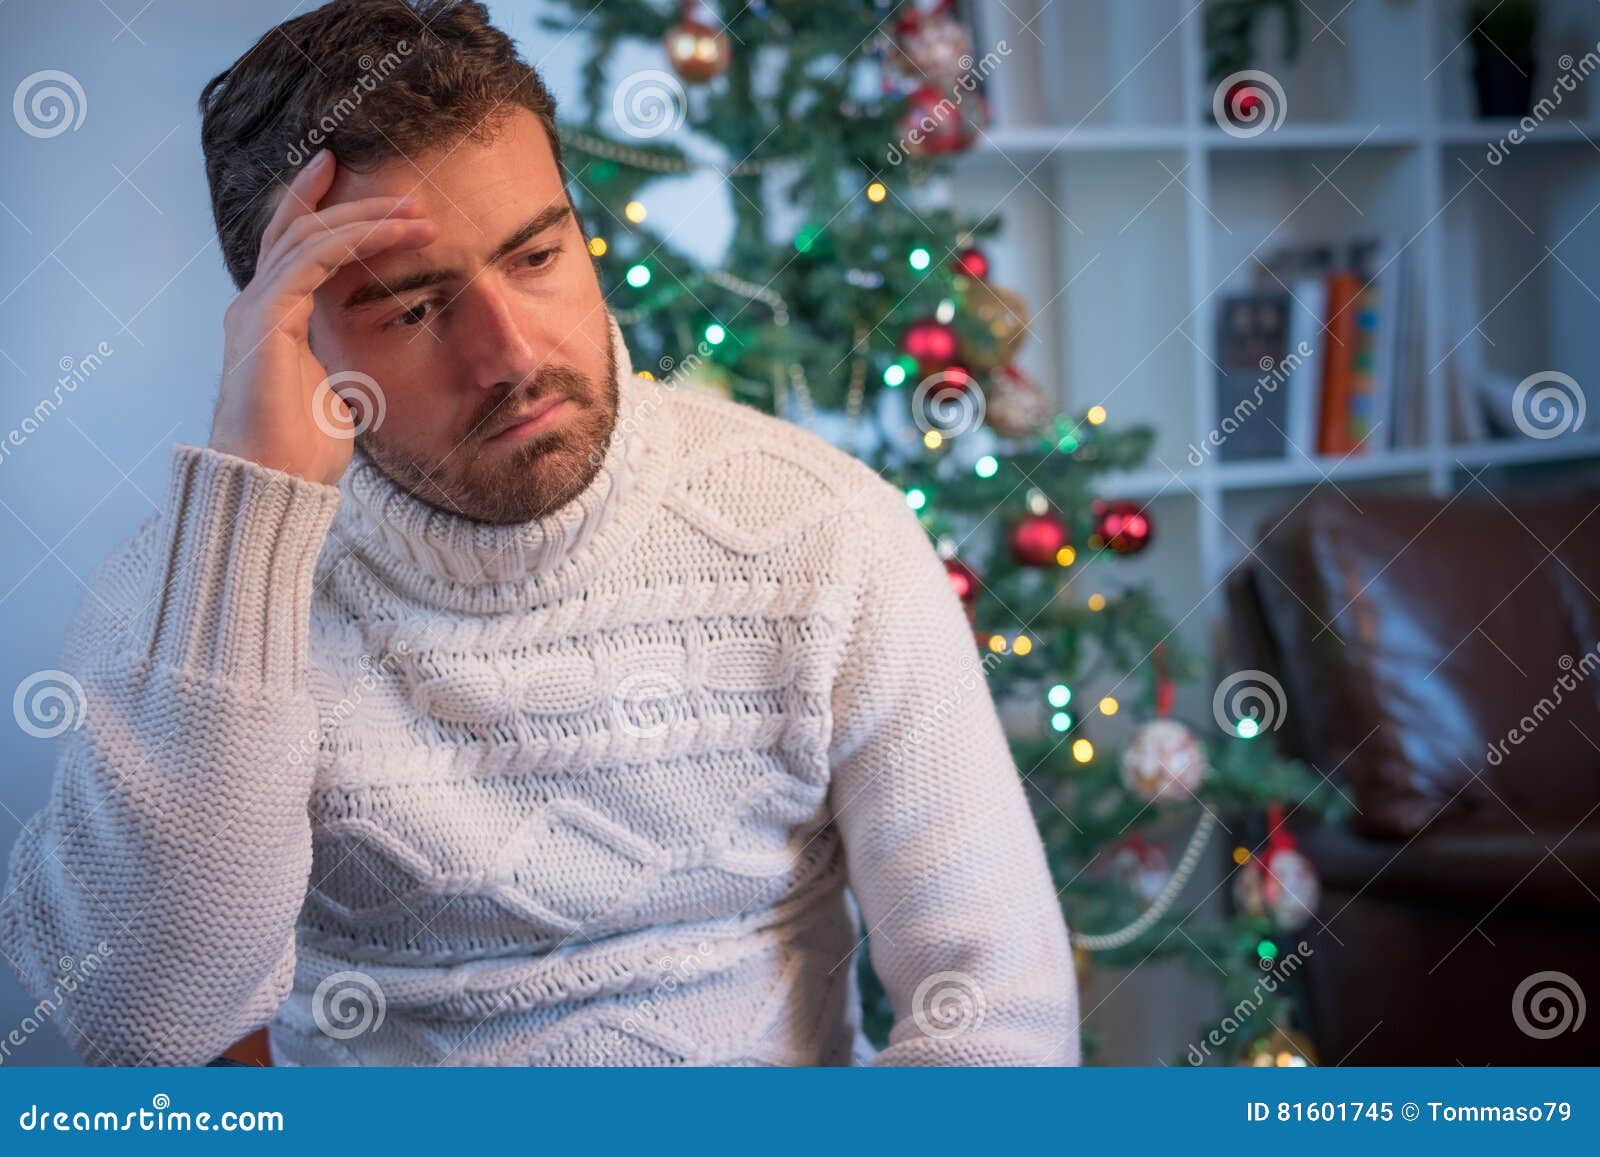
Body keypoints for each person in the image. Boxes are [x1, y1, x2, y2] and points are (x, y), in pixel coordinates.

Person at [0, 0, 1078, 1067]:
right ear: (295, 335)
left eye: (534, 255)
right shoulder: (192, 594)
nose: (508, 354)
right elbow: (146, 1030)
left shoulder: (829, 533)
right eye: (415, 308)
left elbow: (1002, 1019)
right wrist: (247, 536)